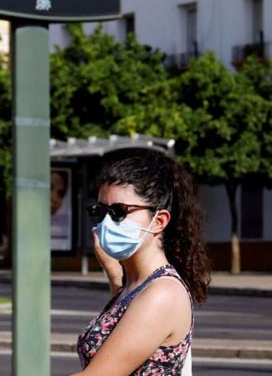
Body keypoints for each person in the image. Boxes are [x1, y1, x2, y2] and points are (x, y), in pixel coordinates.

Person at [74, 148, 211, 376]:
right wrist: (113, 271)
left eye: (119, 211)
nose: (107, 222)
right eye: (101, 212)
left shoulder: (163, 294)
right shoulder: (137, 286)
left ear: (159, 221)